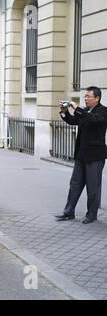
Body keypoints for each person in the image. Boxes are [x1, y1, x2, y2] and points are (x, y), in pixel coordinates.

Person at [56, 86, 107, 224]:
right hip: (81, 155)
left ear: (97, 98)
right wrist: (64, 112)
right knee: (75, 184)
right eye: (85, 96)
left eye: (88, 96)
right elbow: (73, 121)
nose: (86, 99)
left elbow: (93, 120)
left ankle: (91, 215)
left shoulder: (103, 111)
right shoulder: (84, 111)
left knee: (93, 187)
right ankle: (68, 212)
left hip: (95, 157)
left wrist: (77, 108)